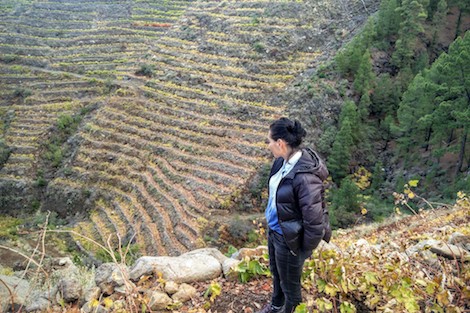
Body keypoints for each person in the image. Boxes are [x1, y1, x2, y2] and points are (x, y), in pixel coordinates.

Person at [257, 117, 331, 313]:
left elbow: (315, 224)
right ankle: (276, 306)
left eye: (269, 141)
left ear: (280, 143)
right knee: (277, 274)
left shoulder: (305, 178)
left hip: (289, 240)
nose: (268, 145)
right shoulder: (281, 162)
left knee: (291, 287)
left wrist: (298, 251)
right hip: (276, 231)